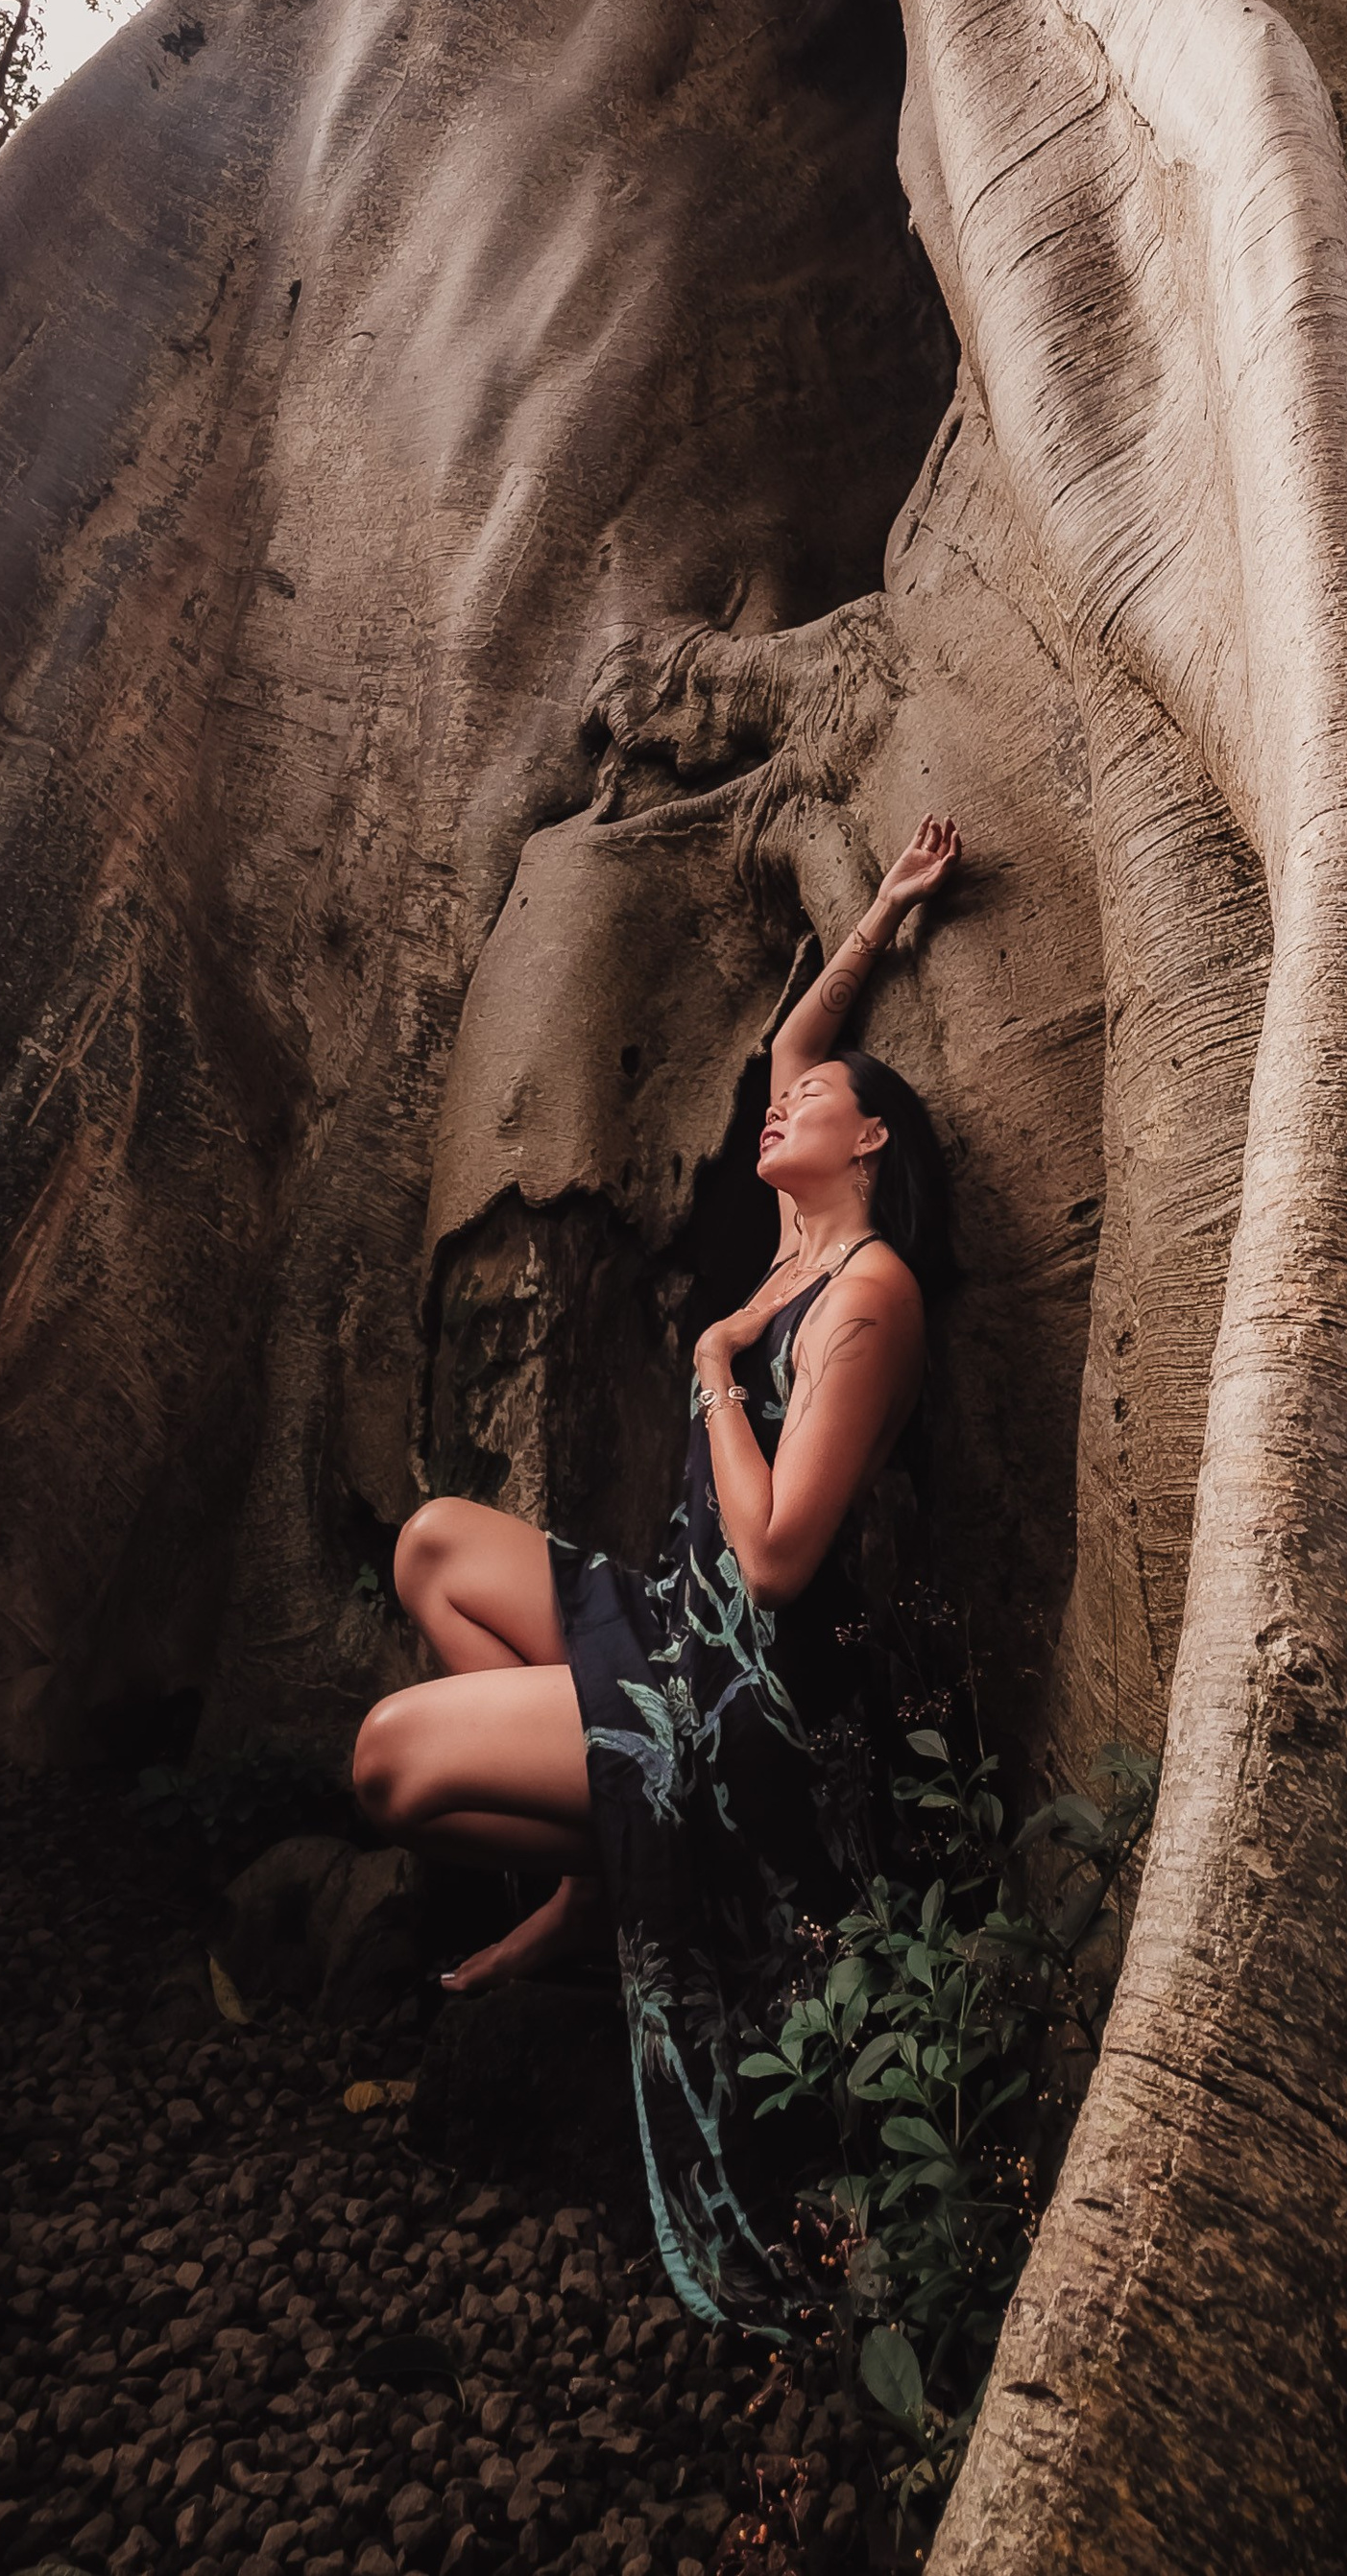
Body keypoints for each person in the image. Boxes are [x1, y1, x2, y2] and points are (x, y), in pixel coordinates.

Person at [350, 818, 961, 2324]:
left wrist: (713, 1368)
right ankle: (595, 1866)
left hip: (745, 1697)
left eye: (812, 1106)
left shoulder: (866, 1297)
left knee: (388, 1762)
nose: (778, 1104)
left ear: (870, 1142)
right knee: (433, 1545)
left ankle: (627, 1846)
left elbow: (780, 1559)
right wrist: (883, 912)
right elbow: (800, 1043)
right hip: (671, 1618)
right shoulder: (795, 1239)